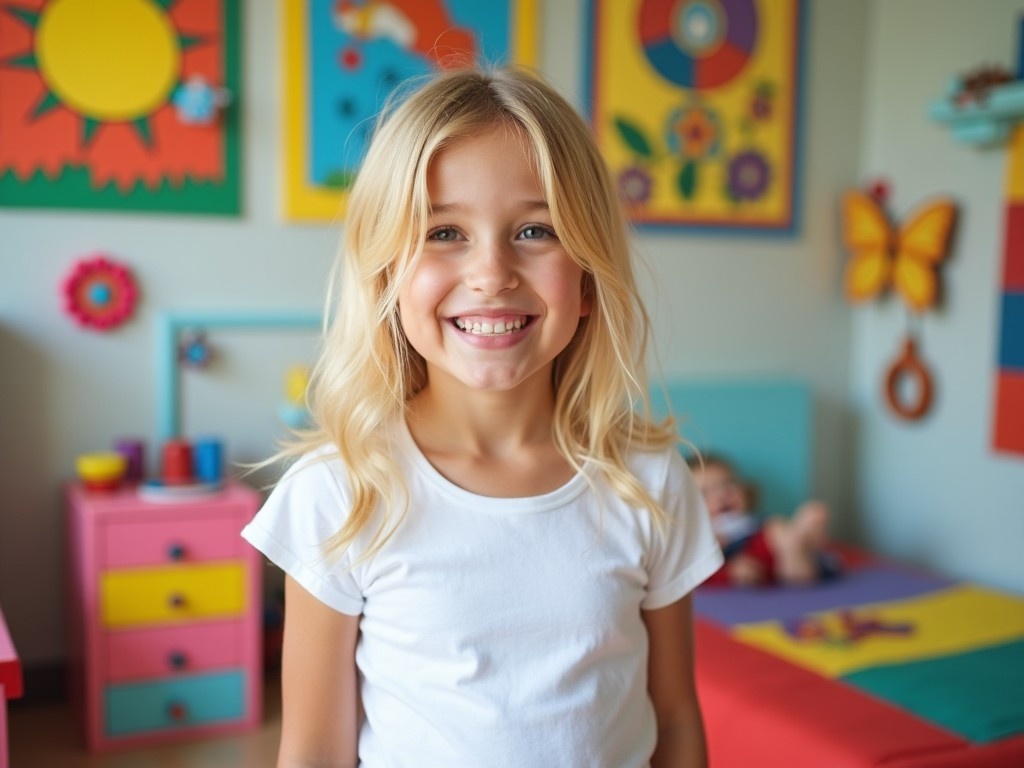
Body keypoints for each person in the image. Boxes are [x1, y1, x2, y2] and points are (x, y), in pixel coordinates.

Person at [242, 65, 723, 768]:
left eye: (535, 230)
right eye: (443, 233)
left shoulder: (648, 482)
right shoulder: (340, 492)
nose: (491, 272)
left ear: (588, 278)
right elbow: (314, 749)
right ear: (387, 276)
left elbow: (675, 718)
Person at [688, 454, 838, 587]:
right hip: (752, 563)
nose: (722, 495)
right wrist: (730, 572)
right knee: (778, 530)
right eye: (705, 492)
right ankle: (797, 541)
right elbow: (696, 574)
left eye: (729, 484)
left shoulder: (752, 521)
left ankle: (803, 541)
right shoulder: (702, 536)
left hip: (776, 554)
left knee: (777, 527)